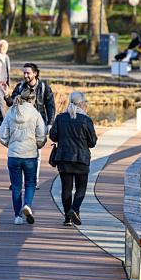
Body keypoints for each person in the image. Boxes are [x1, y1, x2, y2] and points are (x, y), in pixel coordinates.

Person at [0, 87, 46, 225]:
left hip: (13, 155)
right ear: (33, 99)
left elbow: (2, 135)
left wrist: (10, 145)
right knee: (30, 183)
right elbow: (42, 135)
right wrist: (37, 145)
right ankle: (27, 205)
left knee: (16, 186)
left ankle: (17, 216)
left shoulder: (11, 112)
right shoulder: (36, 114)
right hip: (30, 155)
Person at [49, 91, 97, 226]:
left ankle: (67, 218)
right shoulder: (86, 120)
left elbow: (53, 136)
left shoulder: (60, 118)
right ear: (81, 103)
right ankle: (74, 209)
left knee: (66, 188)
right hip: (81, 158)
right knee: (81, 187)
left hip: (64, 158)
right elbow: (92, 142)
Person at [8, 63, 56, 188]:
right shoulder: (20, 87)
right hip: (21, 125)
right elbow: (11, 103)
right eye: (24, 73)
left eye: (28, 73)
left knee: (36, 154)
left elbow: (50, 106)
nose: (25, 75)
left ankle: (33, 180)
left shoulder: (44, 87)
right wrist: (6, 95)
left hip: (38, 125)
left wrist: (50, 123)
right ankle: (19, 181)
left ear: (35, 73)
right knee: (19, 152)